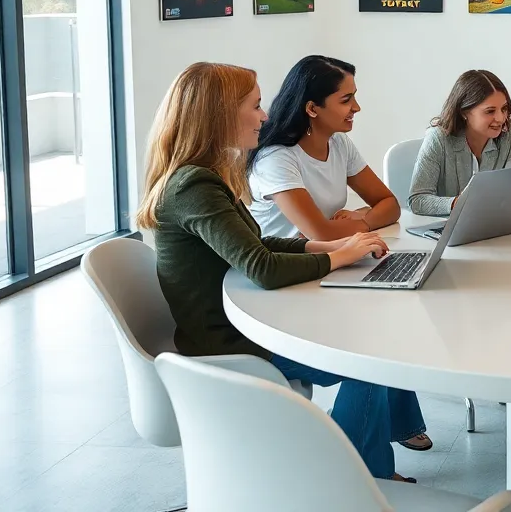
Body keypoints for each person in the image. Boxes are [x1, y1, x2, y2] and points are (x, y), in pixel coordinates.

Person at [137, 62, 426, 482]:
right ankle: (357, 485)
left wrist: (328, 245)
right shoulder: (195, 185)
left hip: (238, 322)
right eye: (254, 106)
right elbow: (261, 267)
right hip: (231, 342)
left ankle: (369, 468)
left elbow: (255, 244)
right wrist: (339, 256)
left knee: (375, 345)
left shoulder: (201, 176)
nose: (265, 116)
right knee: (371, 363)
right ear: (219, 114)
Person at [247, 56, 402, 238]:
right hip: (286, 262)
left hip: (327, 254)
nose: (356, 107)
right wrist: (366, 220)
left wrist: (363, 219)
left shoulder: (339, 143)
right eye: (346, 100)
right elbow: (321, 234)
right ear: (312, 108)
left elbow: (390, 204)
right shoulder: (275, 159)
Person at [409, 70, 511, 215]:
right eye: (490, 111)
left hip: (494, 225)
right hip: (446, 229)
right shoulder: (438, 138)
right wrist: (456, 203)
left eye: (504, 109)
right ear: (464, 112)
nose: (501, 118)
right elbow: (417, 200)